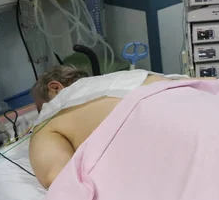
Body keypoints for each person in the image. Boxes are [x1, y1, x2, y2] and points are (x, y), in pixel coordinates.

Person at [29, 66, 173, 188]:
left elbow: (60, 182)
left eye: (40, 108)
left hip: (164, 136)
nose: (41, 113)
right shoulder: (130, 76)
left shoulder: (47, 120)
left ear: (55, 88)